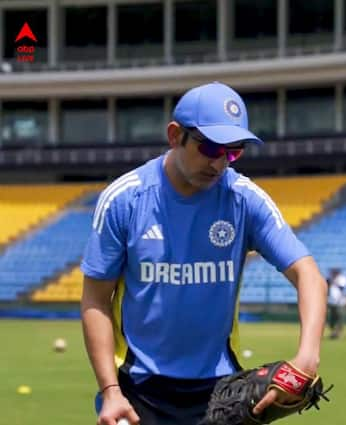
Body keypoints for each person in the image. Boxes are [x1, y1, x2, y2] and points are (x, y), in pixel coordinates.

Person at [80, 82, 327, 425]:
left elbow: (309, 275)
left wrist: (306, 359)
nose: (219, 163)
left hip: (221, 390)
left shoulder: (245, 199)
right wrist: (110, 391)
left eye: (233, 151)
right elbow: (95, 299)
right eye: (210, 147)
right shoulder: (124, 199)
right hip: (138, 389)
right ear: (174, 135)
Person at [326, 268, 346, 339]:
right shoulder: (329, 279)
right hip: (331, 301)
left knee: (340, 317)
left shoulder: (341, 279)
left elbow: (342, 288)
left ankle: (338, 333)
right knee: (332, 318)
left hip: (340, 301)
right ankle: (333, 332)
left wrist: (334, 281)